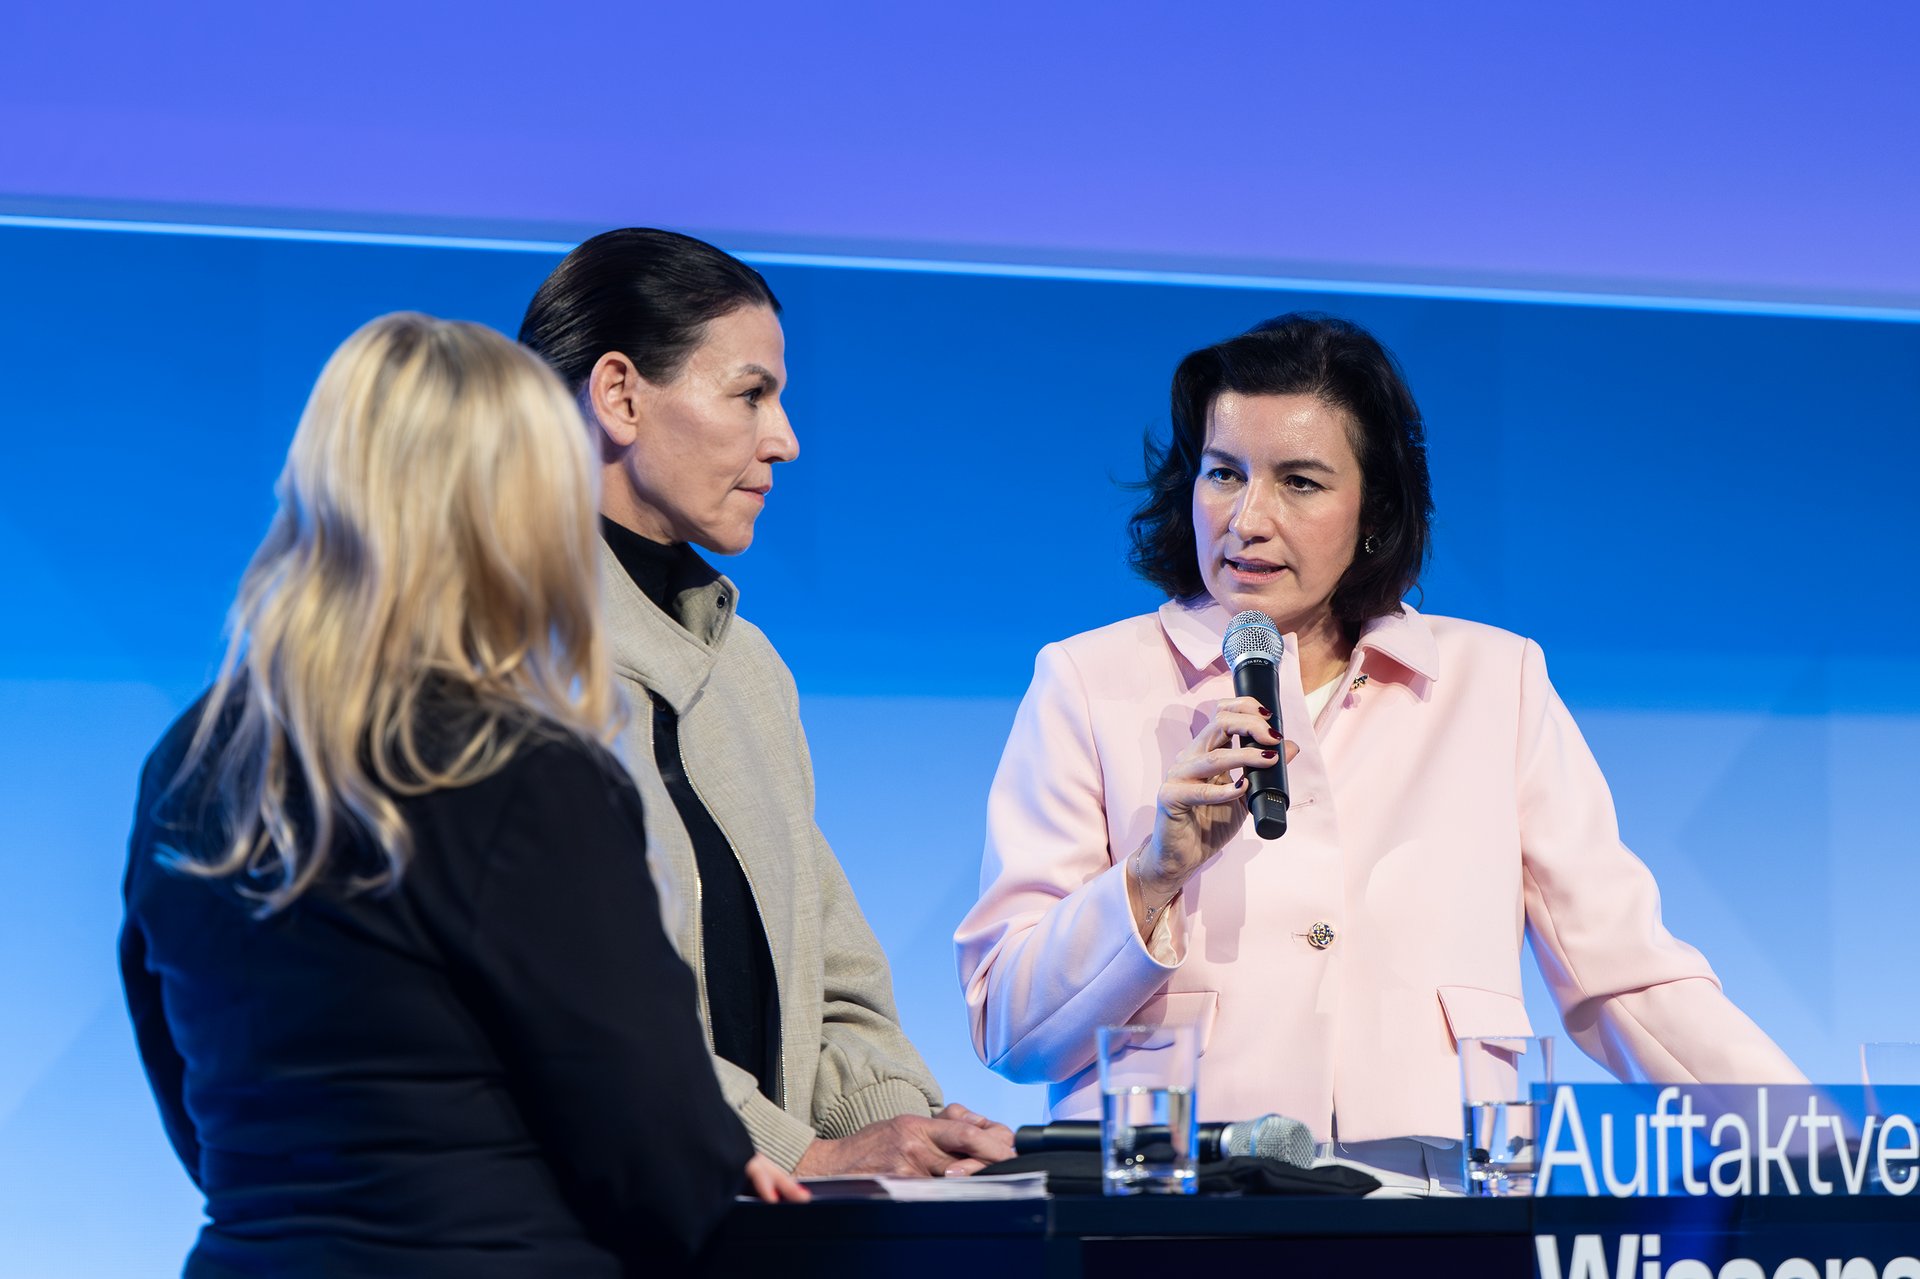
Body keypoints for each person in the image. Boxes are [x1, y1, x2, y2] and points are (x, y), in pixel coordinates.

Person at [954, 312, 1803, 1191]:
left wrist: (1829, 1143)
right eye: (1223, 474)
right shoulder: (1088, 682)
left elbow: (1626, 976)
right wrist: (1151, 874)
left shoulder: (1493, 683)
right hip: (1179, 1206)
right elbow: (1008, 1027)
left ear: (1374, 510)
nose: (1248, 518)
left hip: (1433, 1207)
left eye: (1301, 481)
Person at [120, 313, 804, 1279]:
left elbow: (189, 1101)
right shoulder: (519, 767)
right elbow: (654, 1136)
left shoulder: (189, 762)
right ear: (513, 506)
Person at [517, 228, 1014, 1177]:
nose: (784, 440)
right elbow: (581, 1016)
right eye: (751, 395)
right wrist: (808, 1153)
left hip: (761, 1236)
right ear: (621, 395)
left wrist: (907, 1132)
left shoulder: (749, 667)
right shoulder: (504, 667)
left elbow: (841, 983)